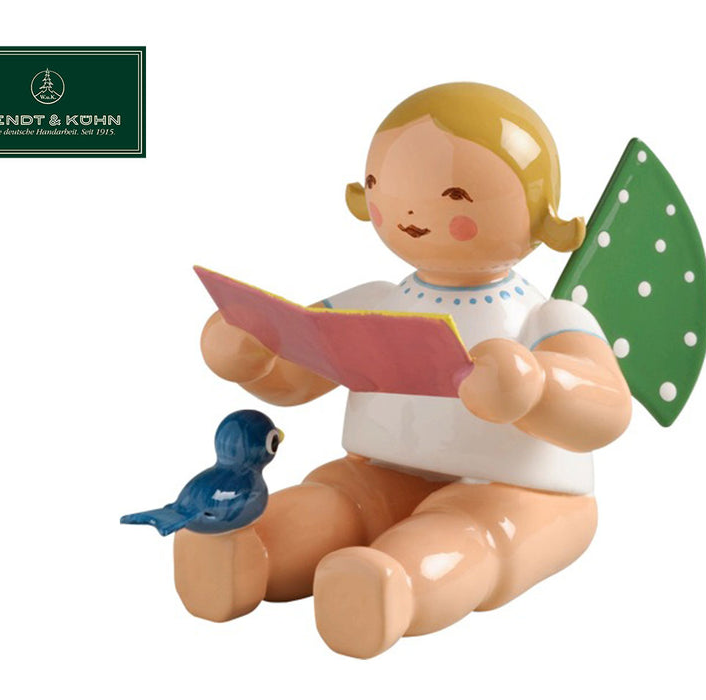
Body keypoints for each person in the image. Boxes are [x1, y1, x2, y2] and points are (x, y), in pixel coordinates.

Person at [176, 82, 632, 658]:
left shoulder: (547, 317)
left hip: (521, 495)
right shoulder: (377, 300)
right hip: (379, 473)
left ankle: (396, 588)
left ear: (542, 219)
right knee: (329, 504)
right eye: (380, 189)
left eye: (455, 196)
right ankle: (252, 555)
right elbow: (300, 374)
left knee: (467, 535)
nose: (412, 214)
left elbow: (607, 410)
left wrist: (537, 387)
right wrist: (257, 356)